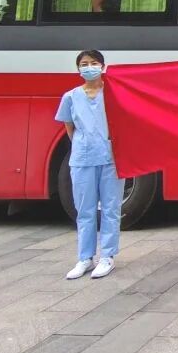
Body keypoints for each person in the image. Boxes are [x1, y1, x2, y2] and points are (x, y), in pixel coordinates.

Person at [55, 50, 121, 280]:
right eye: (84, 64)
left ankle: (107, 256)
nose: (89, 67)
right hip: (82, 159)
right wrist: (84, 145)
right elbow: (69, 127)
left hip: (111, 158)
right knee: (85, 210)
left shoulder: (113, 93)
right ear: (78, 69)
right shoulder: (71, 97)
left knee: (111, 208)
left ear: (102, 66)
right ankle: (85, 258)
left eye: (94, 63)